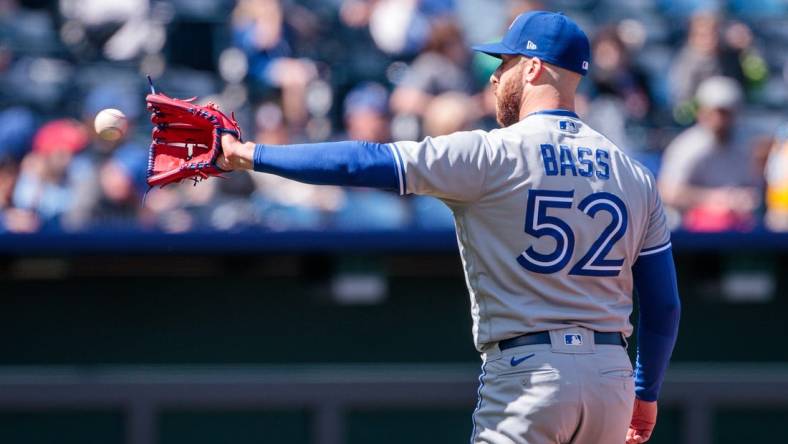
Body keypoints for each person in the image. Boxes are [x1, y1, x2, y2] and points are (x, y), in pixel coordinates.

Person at [217, 11, 680, 444]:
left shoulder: (492, 155)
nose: (496, 77)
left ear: (535, 69)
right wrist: (646, 391)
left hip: (530, 371)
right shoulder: (633, 174)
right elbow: (663, 305)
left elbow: (365, 161)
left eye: (505, 62)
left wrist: (250, 154)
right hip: (611, 377)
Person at [659, 76, 760, 232]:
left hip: (738, 226)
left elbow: (755, 188)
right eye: (715, 112)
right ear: (702, 112)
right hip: (690, 231)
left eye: (726, 113)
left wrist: (743, 199)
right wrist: (712, 199)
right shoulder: (687, 146)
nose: (720, 119)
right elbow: (667, 192)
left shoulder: (746, 143)